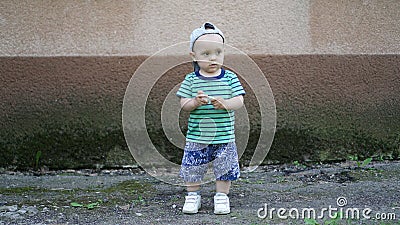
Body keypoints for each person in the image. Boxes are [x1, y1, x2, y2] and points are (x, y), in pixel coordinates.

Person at [176, 22, 245, 215]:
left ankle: (221, 196)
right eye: (206, 54)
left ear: (223, 52)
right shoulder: (191, 80)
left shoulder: (230, 78)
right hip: (197, 137)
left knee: (225, 167)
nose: (213, 58)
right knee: (193, 166)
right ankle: (192, 196)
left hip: (224, 136)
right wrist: (195, 102)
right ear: (194, 56)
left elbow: (239, 100)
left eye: (218, 52)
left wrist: (226, 103)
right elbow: (184, 105)